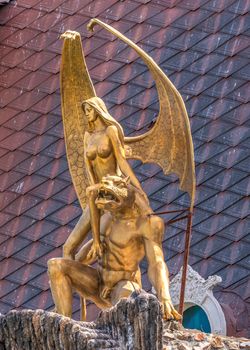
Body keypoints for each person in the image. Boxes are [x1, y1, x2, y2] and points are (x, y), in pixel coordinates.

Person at [80, 96, 151, 259]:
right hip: (99, 190)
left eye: (90, 110)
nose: (87, 114)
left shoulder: (110, 130)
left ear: (98, 110)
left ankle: (97, 242)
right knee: (68, 247)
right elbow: (88, 168)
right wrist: (95, 188)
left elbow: (121, 160)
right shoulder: (87, 136)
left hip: (116, 186)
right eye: (85, 111)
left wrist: (138, 188)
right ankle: (95, 242)